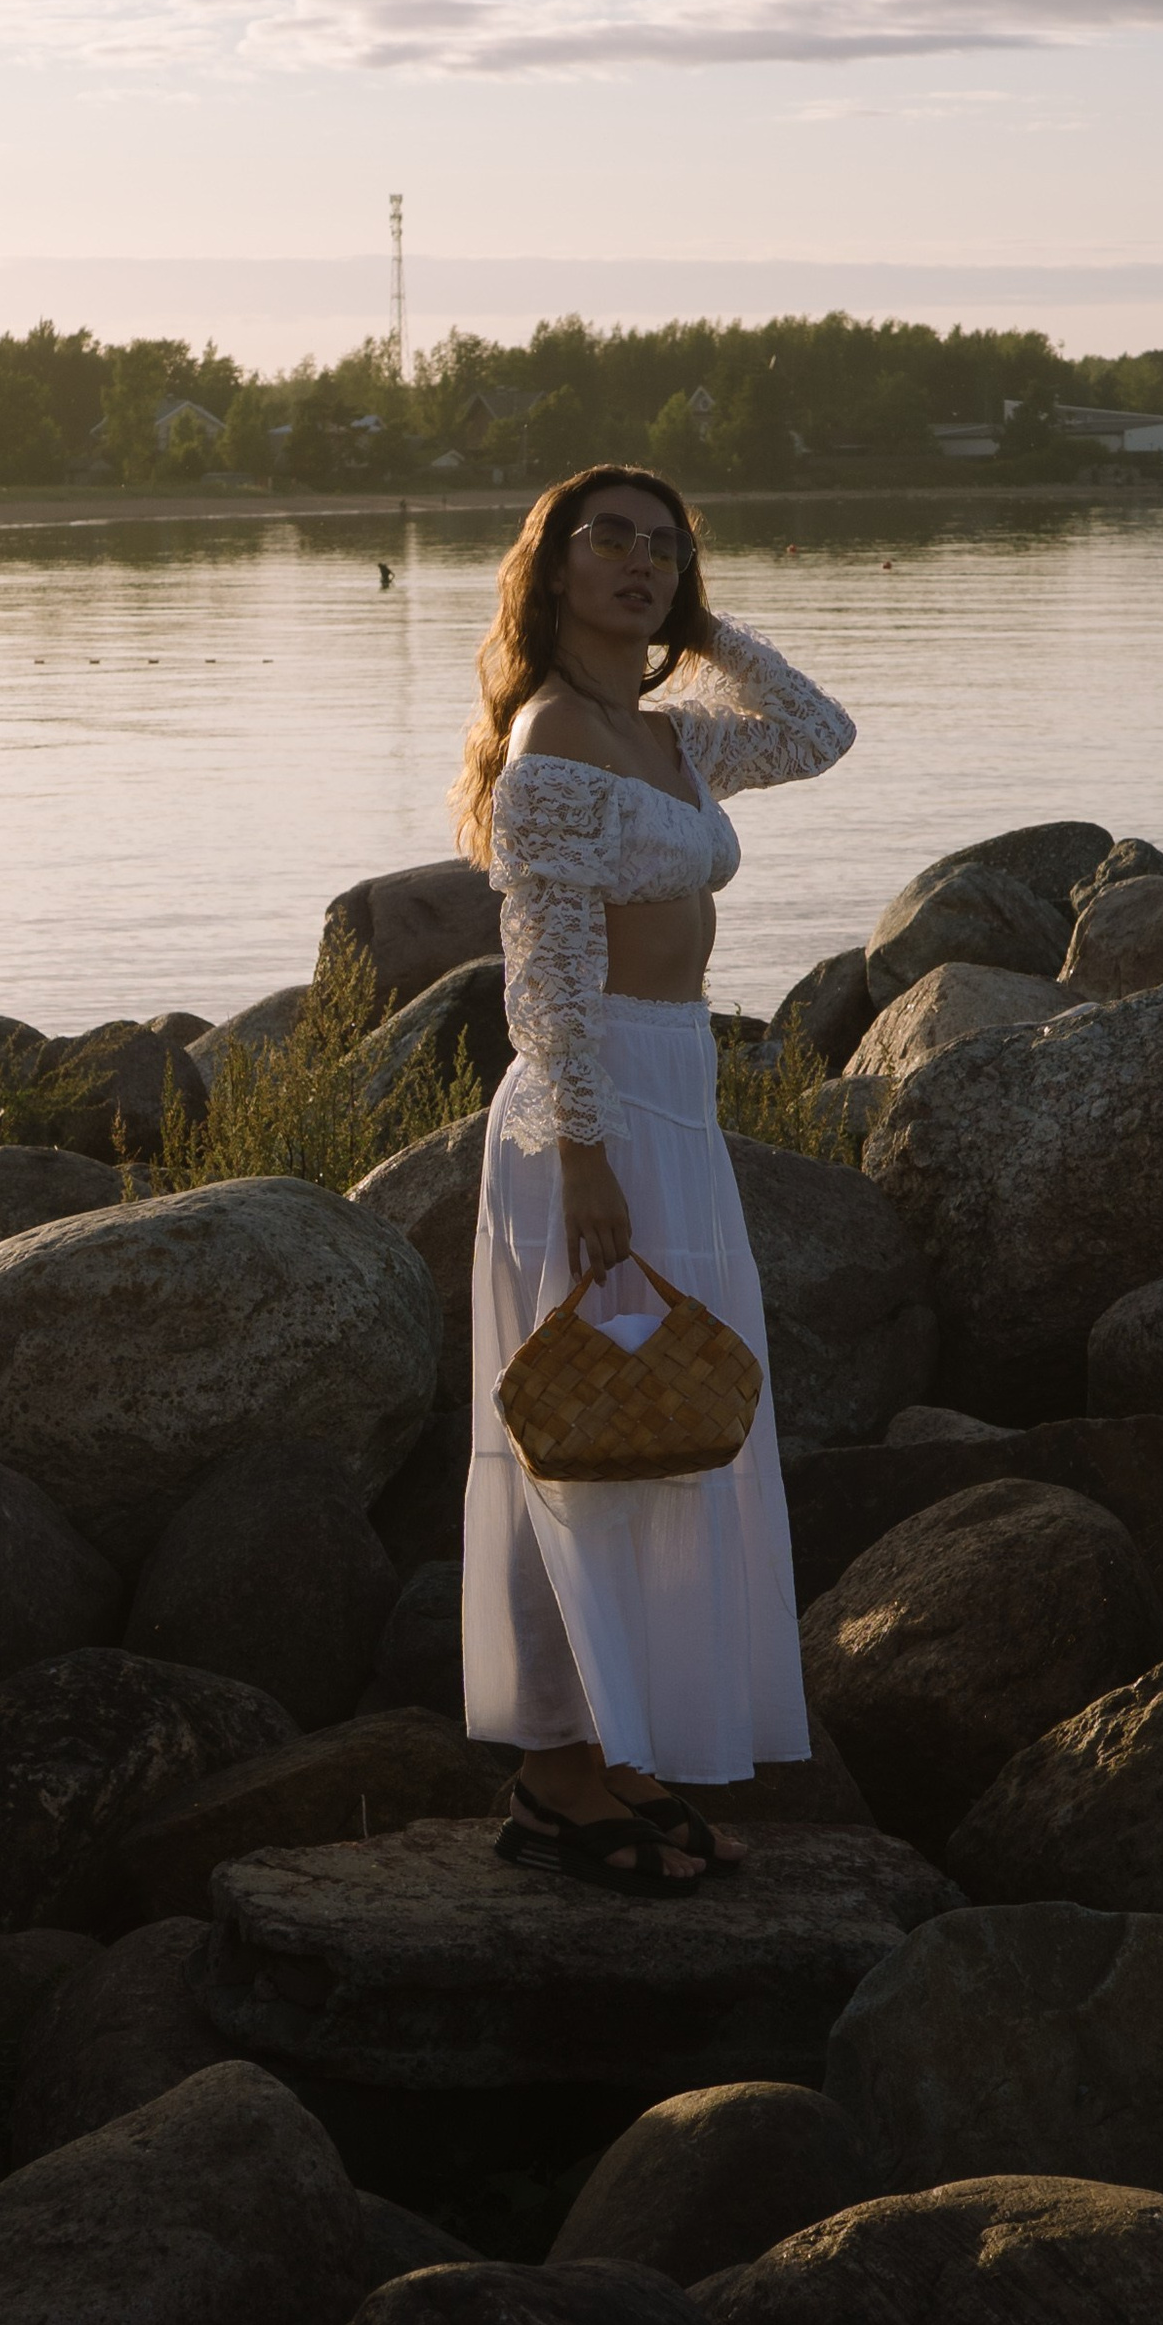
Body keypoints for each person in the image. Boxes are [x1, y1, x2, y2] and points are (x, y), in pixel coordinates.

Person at [451, 467, 854, 1895]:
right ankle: (557, 1776)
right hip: (599, 1104)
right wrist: (585, 1155)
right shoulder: (555, 738)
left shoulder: (667, 737)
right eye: (607, 537)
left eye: (662, 545)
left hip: (673, 1093)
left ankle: (617, 1755)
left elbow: (817, 732)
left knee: (660, 1426)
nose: (638, 559)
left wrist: (708, 624)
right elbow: (544, 974)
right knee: (584, 1432)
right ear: (550, 565)